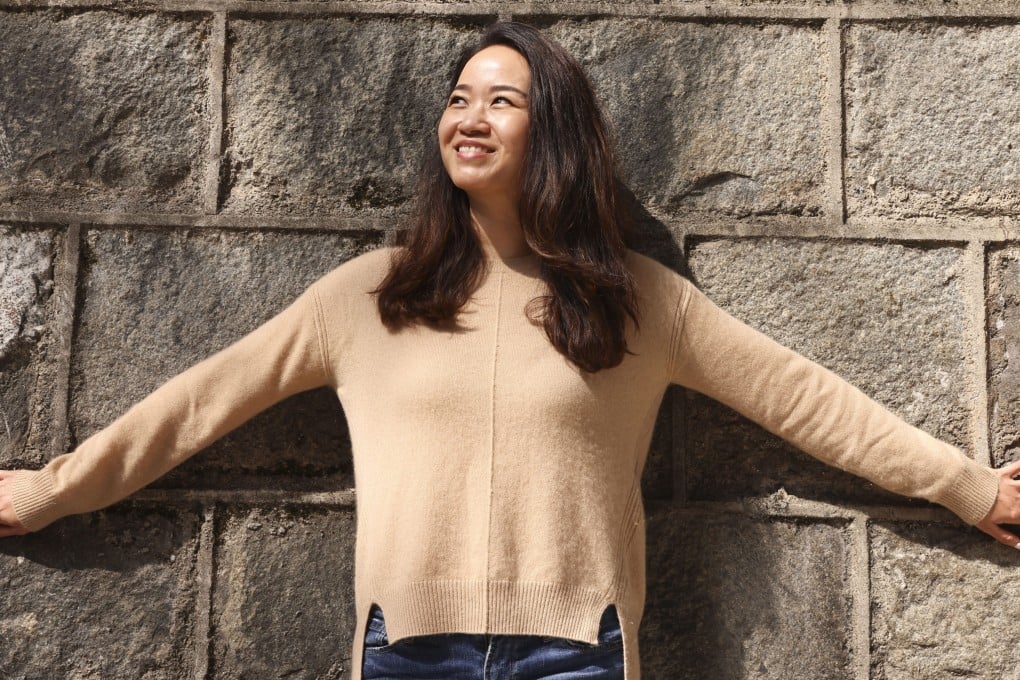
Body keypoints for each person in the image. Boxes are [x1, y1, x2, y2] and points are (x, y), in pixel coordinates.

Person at [2, 21, 1019, 680]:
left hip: (577, 651)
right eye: (457, 97)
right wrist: (49, 490)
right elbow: (196, 404)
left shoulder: (636, 301)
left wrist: (966, 485)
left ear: (556, 133)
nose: (468, 116)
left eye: (500, 98)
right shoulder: (366, 296)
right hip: (405, 649)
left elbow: (806, 399)